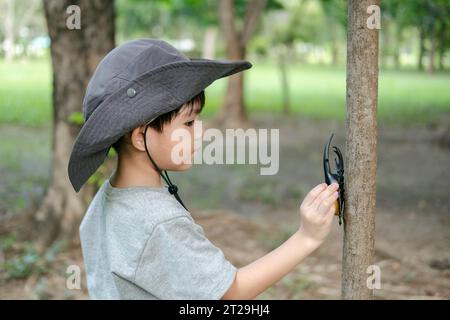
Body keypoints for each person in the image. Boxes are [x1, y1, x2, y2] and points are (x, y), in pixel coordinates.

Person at [68, 38, 339, 299]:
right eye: (188, 124)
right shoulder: (160, 223)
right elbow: (230, 293)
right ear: (140, 137)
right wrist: (307, 237)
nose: (200, 132)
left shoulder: (105, 199)